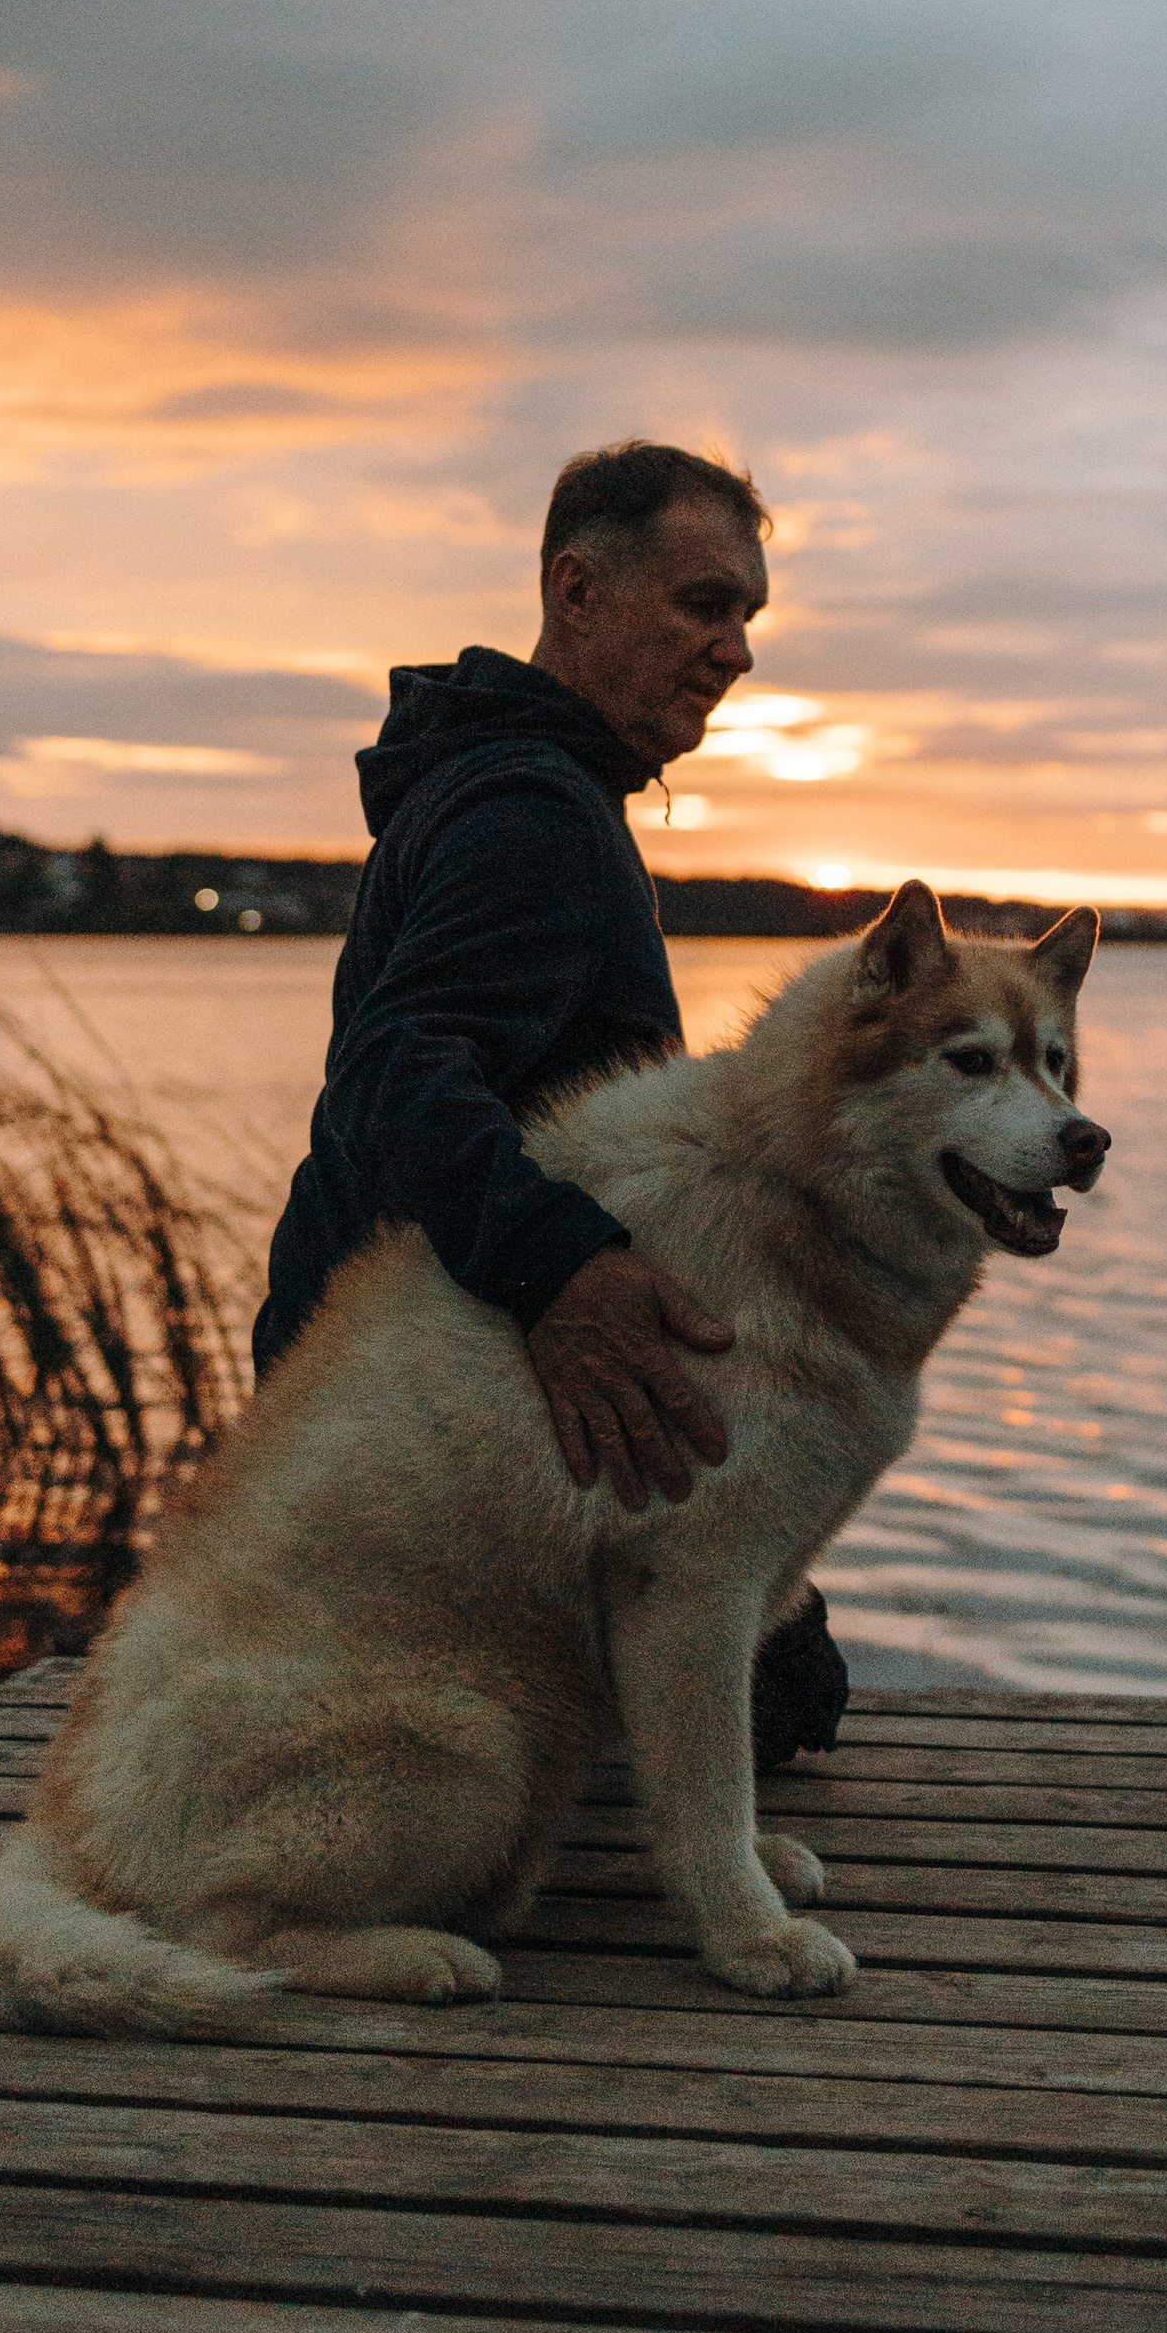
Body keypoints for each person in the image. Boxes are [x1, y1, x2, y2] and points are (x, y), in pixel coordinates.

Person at [254, 436, 848, 1764]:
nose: (737, 653)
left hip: (392, 1384)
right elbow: (400, 1068)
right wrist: (565, 1275)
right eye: (705, 605)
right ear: (577, 591)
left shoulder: (517, 784)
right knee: (782, 1697)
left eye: (749, 617)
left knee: (777, 1665)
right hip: (405, 1423)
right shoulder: (530, 809)